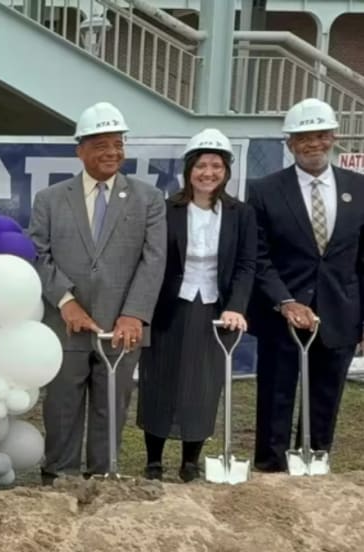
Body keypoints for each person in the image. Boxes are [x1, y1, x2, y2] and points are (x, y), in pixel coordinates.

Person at [28, 101, 166, 483]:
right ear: (80, 150)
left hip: (121, 325)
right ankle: (59, 475)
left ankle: (104, 476)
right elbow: (38, 253)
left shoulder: (147, 199)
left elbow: (154, 261)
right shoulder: (51, 199)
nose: (112, 152)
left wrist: (133, 314)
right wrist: (66, 301)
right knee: (62, 404)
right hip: (65, 324)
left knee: (111, 404)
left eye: (118, 144)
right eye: (101, 144)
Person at [247, 98, 364, 472]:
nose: (313, 144)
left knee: (326, 397)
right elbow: (259, 257)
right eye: (303, 138)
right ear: (290, 144)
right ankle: (270, 470)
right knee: (275, 397)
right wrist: (285, 301)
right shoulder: (264, 190)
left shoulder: (359, 188)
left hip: (340, 312)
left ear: (333, 137)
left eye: (320, 135)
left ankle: (314, 464)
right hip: (282, 315)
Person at [136, 129, 257, 482]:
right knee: (159, 380)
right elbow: (151, 258)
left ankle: (191, 460)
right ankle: (154, 460)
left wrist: (236, 306)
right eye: (201, 165)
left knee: (203, 385)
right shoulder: (166, 209)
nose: (208, 173)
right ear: (189, 169)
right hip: (168, 308)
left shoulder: (241, 214)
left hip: (215, 312)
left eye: (216, 166)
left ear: (226, 171)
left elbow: (247, 265)